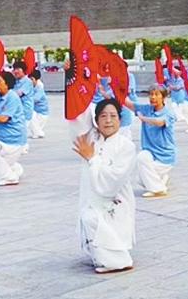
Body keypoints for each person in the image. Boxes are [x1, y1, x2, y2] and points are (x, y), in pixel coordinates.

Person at [73, 98, 138, 274]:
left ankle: (119, 260)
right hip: (93, 197)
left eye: (113, 116)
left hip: (114, 198)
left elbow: (112, 180)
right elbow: (78, 117)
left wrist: (92, 158)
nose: (108, 120)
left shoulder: (126, 146)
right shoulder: (92, 139)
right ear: (96, 120)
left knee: (92, 218)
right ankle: (103, 258)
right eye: (103, 116)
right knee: (88, 219)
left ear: (120, 119)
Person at [127, 86, 177, 198]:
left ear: (163, 97)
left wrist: (143, 118)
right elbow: (129, 104)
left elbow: (159, 122)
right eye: (151, 94)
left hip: (165, 157)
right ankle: (160, 180)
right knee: (141, 158)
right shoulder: (147, 109)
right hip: (150, 152)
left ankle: (159, 189)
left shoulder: (169, 113)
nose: (153, 97)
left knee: (142, 177)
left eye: (156, 94)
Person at [12, 61, 36, 151]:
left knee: (22, 129)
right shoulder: (15, 82)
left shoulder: (27, 82)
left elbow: (19, 93)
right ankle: (20, 146)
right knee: (17, 129)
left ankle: (23, 147)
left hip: (25, 110)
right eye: (14, 69)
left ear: (23, 70)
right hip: (16, 111)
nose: (15, 71)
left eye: (18, 69)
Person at [28, 69, 49, 139]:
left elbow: (35, 99)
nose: (30, 81)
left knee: (30, 115)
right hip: (36, 112)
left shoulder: (39, 88)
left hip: (41, 114)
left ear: (36, 79)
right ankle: (38, 132)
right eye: (29, 79)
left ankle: (39, 133)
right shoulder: (31, 86)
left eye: (32, 79)